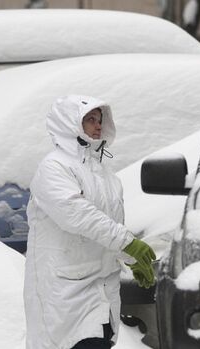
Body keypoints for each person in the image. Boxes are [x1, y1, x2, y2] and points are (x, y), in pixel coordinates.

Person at [24, 95, 156, 349]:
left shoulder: (106, 176)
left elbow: (106, 226)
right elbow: (77, 214)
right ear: (70, 123)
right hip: (64, 290)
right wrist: (129, 244)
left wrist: (130, 259)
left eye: (100, 120)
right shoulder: (54, 168)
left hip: (102, 289)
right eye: (90, 119)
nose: (98, 126)